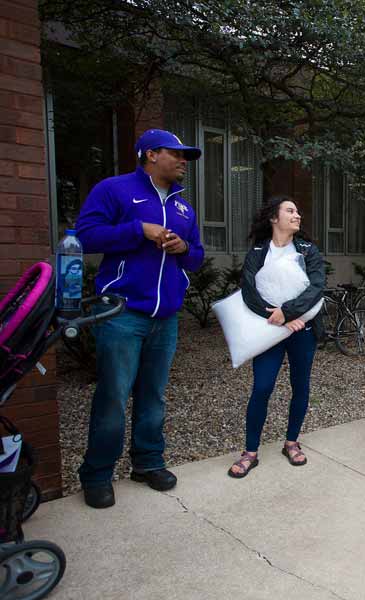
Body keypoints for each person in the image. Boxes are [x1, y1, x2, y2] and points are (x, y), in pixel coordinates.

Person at [75, 129, 204, 508]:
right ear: (150, 154)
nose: (183, 161)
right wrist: (139, 230)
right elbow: (85, 236)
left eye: (186, 156)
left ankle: (147, 462)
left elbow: (196, 257)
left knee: (154, 396)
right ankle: (97, 474)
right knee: (113, 397)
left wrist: (183, 248)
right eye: (176, 154)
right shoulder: (114, 189)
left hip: (165, 318)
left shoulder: (184, 208)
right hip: (120, 313)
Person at [227, 196, 325, 478]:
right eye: (290, 210)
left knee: (301, 386)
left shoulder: (308, 250)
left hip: (302, 330)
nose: (297, 215)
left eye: (298, 211)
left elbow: (317, 287)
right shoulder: (258, 251)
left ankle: (292, 442)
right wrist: (279, 318)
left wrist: (290, 313)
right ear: (274, 218)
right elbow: (249, 291)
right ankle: (250, 452)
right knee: (261, 387)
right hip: (268, 330)